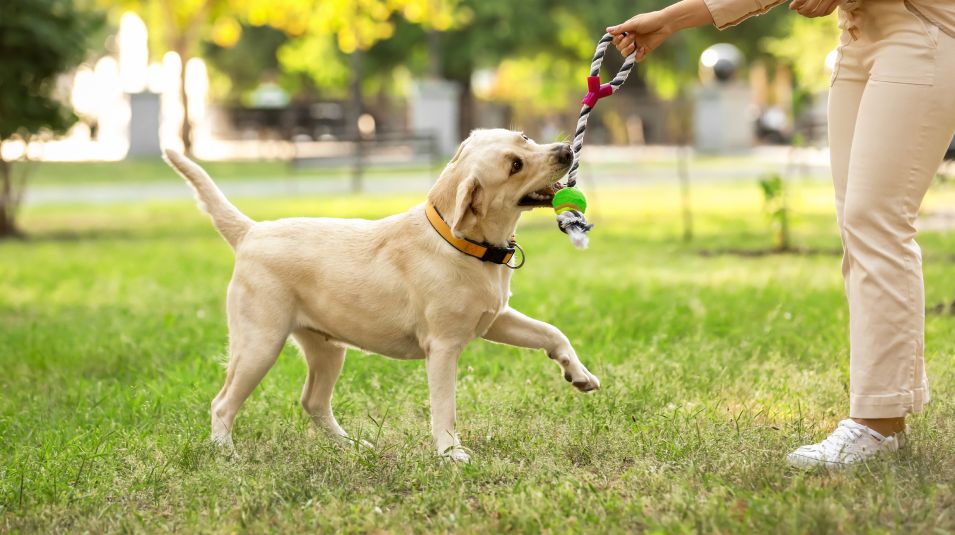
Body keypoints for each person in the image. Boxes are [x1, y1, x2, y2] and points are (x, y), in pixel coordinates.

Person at [608, 0, 955, 468]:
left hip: (925, 30)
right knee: (859, 227)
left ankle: (878, 423)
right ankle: (887, 410)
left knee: (877, 221)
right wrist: (670, 20)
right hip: (857, 37)